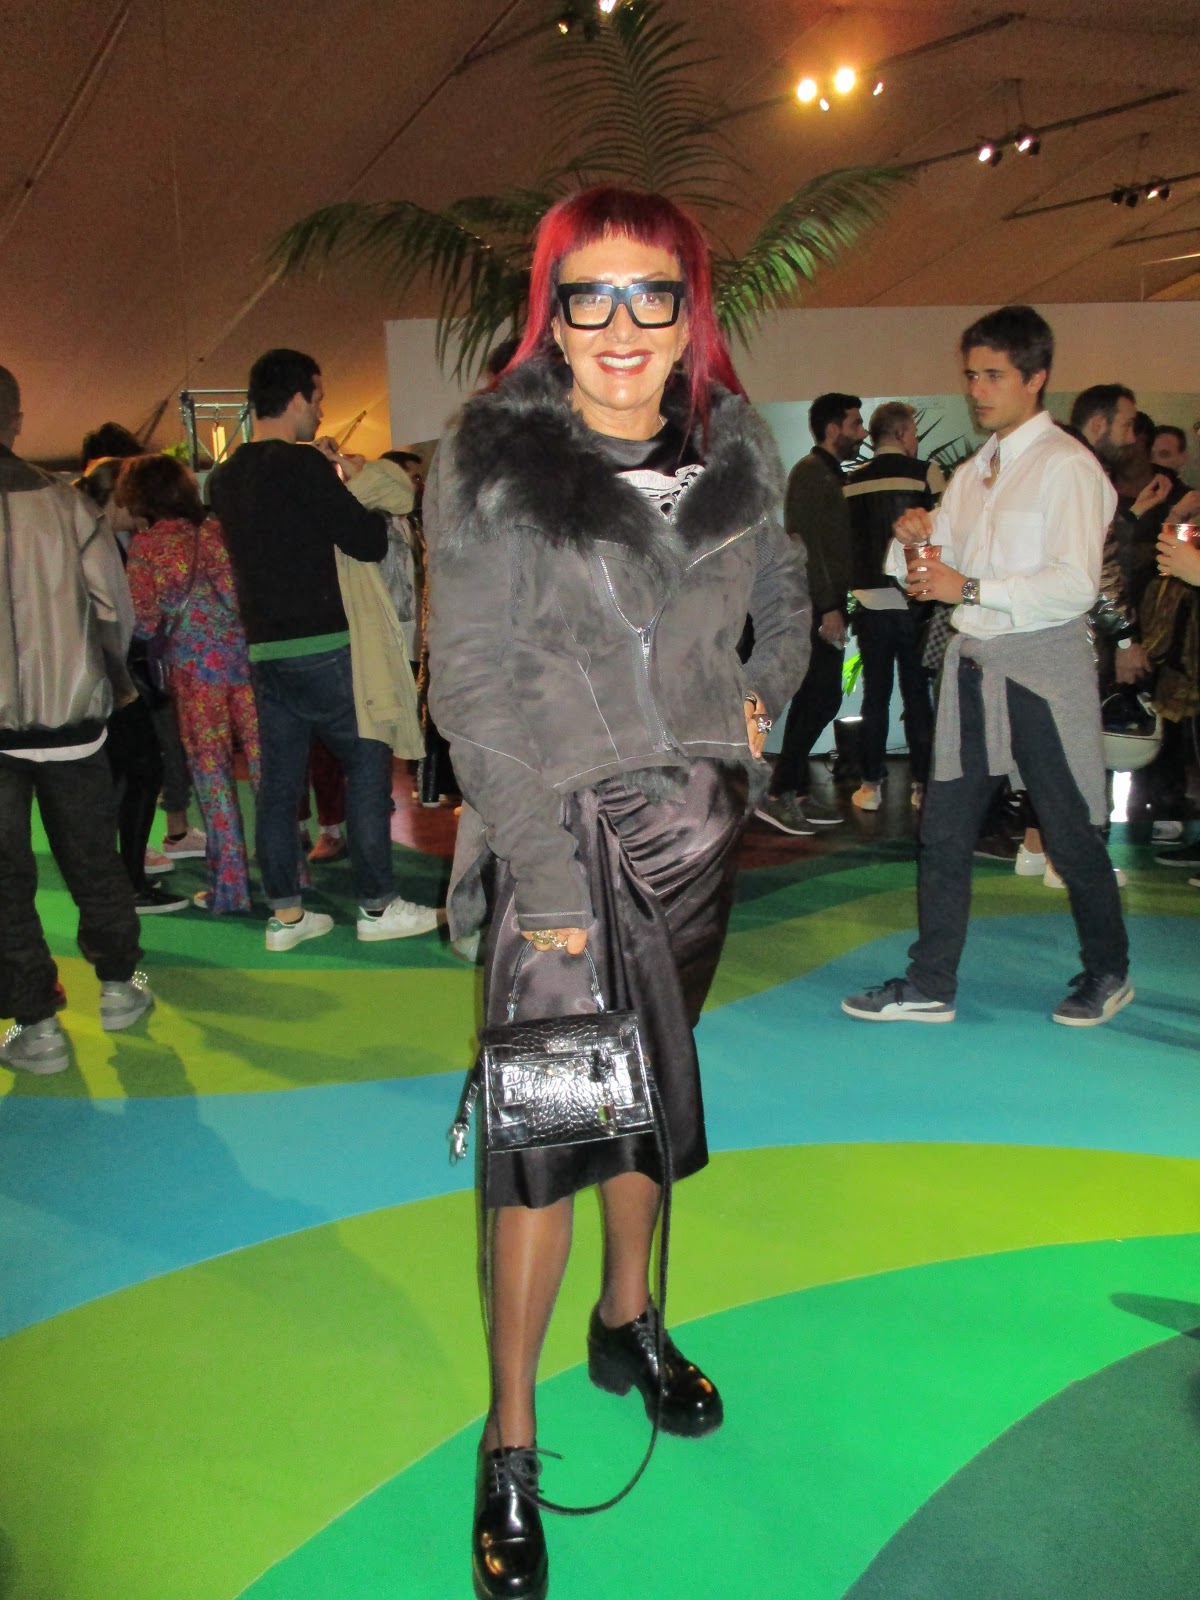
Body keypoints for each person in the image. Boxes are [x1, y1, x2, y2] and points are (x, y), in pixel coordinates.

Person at [425, 186, 808, 1600]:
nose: (623, 325)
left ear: (690, 309)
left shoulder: (741, 447)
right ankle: (510, 1442)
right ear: (555, 311)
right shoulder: (490, 459)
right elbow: (469, 682)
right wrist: (541, 874)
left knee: (651, 1092)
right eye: (591, 294)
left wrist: (757, 713)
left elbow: (790, 595)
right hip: (560, 841)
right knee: (547, 1134)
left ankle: (628, 1320)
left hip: (694, 840)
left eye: (654, 293)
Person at [842, 306, 1132, 1028]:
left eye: (993, 375)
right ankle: (930, 981)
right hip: (974, 669)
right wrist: (911, 536)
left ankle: (1108, 969)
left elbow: (1074, 585)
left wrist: (967, 588)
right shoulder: (975, 473)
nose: (977, 390)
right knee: (943, 830)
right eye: (971, 375)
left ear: (1036, 378)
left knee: (1069, 832)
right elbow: (922, 569)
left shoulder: (1067, 467)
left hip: (1042, 668)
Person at [207, 348, 437, 950]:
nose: (321, 410)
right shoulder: (303, 465)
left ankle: (286, 915)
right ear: (297, 397)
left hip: (267, 652)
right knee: (367, 770)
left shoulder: (225, 478)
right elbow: (366, 542)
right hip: (330, 646)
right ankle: (378, 905)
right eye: (319, 398)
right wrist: (349, 480)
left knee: (279, 787)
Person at [0, 366, 153, 1075]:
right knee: (95, 864)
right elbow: (114, 609)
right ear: (17, 419)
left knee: (5, 884)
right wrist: (105, 681)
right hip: (73, 721)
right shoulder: (67, 508)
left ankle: (37, 1026)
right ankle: (119, 988)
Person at [119, 455, 261, 914]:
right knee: (266, 769)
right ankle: (288, 872)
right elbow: (240, 597)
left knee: (213, 777)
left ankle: (231, 887)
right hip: (244, 665)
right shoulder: (215, 533)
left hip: (194, 675)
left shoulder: (145, 547)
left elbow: (143, 620)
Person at [76, 458, 187, 914]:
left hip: (103, 676)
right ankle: (129, 884)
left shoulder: (94, 533)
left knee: (128, 775)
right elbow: (112, 613)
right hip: (109, 676)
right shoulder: (95, 537)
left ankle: (124, 879)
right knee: (140, 771)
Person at [754, 391, 862, 834]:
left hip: (826, 601)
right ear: (833, 429)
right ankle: (777, 792)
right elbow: (806, 545)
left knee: (815, 697)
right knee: (821, 696)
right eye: (855, 424)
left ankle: (794, 790)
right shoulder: (811, 474)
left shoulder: (829, 475)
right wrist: (828, 606)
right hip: (816, 604)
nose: (862, 433)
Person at [843, 401, 943, 811]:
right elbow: (946, 536)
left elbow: (844, 544)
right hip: (916, 604)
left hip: (870, 605)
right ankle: (923, 786)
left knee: (875, 697)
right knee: (918, 698)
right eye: (913, 433)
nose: (915, 440)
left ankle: (870, 786)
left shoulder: (851, 481)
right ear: (901, 433)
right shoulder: (926, 474)